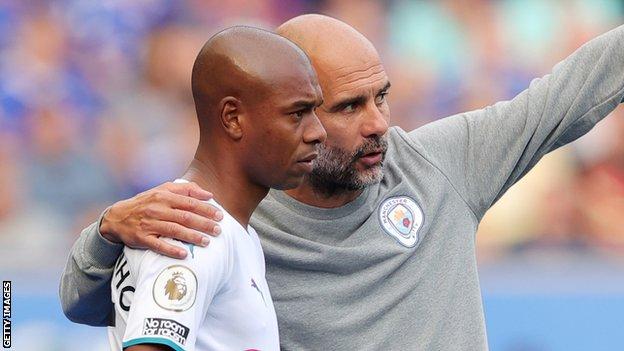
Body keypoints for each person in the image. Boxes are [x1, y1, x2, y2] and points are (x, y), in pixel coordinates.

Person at [60, 14, 624, 350]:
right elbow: (80, 305)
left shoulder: (440, 163)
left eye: (382, 96)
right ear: (286, 109)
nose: (380, 124)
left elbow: (572, 91)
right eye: (348, 106)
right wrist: (106, 234)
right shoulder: (222, 222)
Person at [104, 26, 325, 351]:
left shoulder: (224, 227)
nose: (317, 132)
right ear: (233, 117)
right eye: (297, 114)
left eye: (315, 111)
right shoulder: (196, 231)